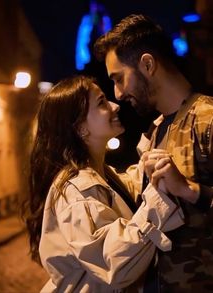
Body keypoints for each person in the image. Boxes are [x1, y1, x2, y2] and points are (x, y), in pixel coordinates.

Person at [21, 75, 189, 293]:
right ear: (80, 128)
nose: (114, 105)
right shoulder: (77, 188)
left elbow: (130, 189)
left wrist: (160, 132)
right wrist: (160, 199)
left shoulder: (100, 174)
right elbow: (113, 263)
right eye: (101, 102)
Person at [94, 13, 213, 292]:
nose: (118, 93)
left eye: (119, 78)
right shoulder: (155, 130)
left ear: (147, 64)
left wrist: (188, 190)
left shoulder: (207, 119)